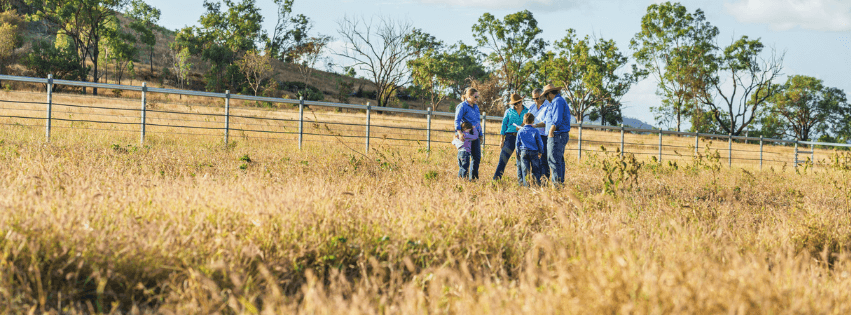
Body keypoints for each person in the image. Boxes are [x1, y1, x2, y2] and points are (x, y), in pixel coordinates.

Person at [542, 84, 572, 186]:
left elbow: (557, 119)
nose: (546, 98)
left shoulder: (557, 101)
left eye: (546, 95)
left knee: (553, 160)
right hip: (558, 134)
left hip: (556, 135)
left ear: (549, 94)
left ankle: (557, 185)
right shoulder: (557, 101)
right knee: (558, 160)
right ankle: (559, 184)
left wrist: (550, 132)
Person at [493, 93, 527, 181]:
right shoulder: (508, 111)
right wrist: (502, 139)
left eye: (518, 102)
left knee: (521, 160)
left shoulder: (527, 111)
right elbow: (504, 125)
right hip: (510, 137)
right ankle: (496, 180)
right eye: (514, 104)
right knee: (503, 159)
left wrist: (522, 125)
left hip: (523, 137)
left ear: (521, 101)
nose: (517, 105)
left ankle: (522, 182)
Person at [454, 88, 482, 180]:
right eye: (475, 96)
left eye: (477, 96)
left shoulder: (476, 107)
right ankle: (462, 178)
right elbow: (457, 120)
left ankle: (473, 179)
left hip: (475, 135)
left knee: (476, 157)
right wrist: (459, 133)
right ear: (469, 96)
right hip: (466, 135)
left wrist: (480, 134)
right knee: (465, 158)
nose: (477, 98)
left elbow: (478, 121)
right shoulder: (462, 106)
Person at [526, 88, 551, 180]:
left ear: (542, 96)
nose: (535, 100)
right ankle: (536, 180)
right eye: (533, 98)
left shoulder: (548, 106)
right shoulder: (531, 107)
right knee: (534, 160)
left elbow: (547, 122)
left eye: (537, 98)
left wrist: (535, 125)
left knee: (543, 160)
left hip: (543, 137)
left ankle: (544, 180)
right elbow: (526, 119)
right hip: (532, 137)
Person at [516, 113, 544, 187]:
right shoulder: (535, 131)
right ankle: (536, 185)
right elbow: (540, 142)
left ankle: (526, 186)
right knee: (536, 170)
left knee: (525, 171)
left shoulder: (520, 131)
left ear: (524, 121)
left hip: (523, 152)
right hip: (534, 152)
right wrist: (540, 151)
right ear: (533, 121)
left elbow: (517, 143)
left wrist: (518, 153)